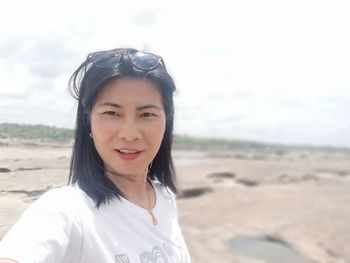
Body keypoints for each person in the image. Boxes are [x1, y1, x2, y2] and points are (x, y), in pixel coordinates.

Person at [0, 48, 190, 263]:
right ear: (88, 121)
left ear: (167, 120)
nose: (129, 134)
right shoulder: (67, 210)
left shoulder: (164, 197)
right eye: (112, 113)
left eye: (147, 114)